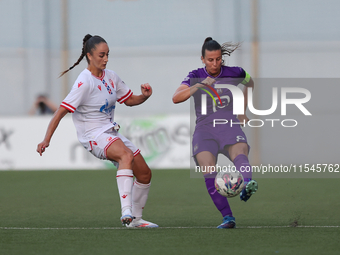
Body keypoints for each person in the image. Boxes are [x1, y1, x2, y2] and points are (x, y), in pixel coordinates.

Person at [37, 34, 158, 228]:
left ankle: (135, 220)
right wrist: (46, 139)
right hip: (92, 136)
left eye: (108, 54)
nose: (106, 59)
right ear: (89, 56)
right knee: (126, 156)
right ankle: (126, 211)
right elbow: (60, 112)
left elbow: (129, 100)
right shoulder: (84, 82)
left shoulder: (111, 76)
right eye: (102, 55)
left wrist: (144, 96)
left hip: (110, 132)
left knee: (144, 174)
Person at [172, 37, 258, 229]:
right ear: (202, 59)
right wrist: (199, 85)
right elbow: (176, 98)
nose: (215, 63)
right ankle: (228, 217)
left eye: (218, 59)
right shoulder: (194, 75)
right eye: (210, 60)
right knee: (208, 169)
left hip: (229, 125)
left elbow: (250, 83)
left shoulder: (236, 73)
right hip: (204, 130)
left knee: (240, 153)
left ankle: (248, 184)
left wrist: (242, 111)